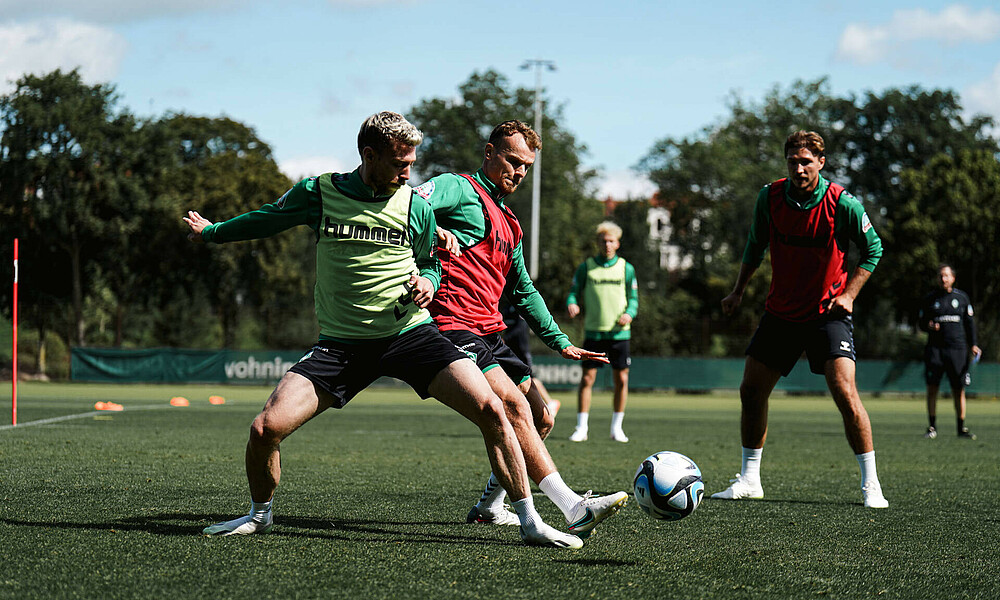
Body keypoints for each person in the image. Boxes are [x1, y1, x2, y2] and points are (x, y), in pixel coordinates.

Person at [183, 111, 583, 548]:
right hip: (342, 347)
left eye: (412, 162)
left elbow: (431, 262)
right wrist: (213, 232)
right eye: (399, 163)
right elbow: (265, 219)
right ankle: (260, 515)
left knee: (494, 410)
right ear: (369, 156)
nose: (408, 173)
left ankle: (530, 522)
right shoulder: (320, 193)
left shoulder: (413, 203)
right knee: (265, 429)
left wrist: (428, 282)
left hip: (411, 337)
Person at [416, 120, 628, 538]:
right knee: (512, 406)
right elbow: (406, 203)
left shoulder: (510, 223)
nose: (518, 172)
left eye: (526, 166)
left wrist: (562, 342)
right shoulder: (458, 189)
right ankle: (573, 507)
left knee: (541, 416)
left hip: (492, 334)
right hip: (452, 327)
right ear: (489, 153)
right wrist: (432, 233)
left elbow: (524, 291)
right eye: (512, 160)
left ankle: (489, 507)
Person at [712, 130, 889, 509]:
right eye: (793, 161)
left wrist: (850, 294)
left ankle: (871, 484)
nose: (799, 168)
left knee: (844, 391)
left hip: (828, 314)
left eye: (806, 161)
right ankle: (749, 479)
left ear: (821, 163)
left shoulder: (843, 203)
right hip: (781, 313)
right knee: (751, 390)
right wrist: (738, 290)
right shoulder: (770, 197)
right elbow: (754, 246)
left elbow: (873, 249)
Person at [565, 222, 639, 443]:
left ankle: (617, 427)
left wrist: (629, 313)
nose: (607, 244)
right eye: (603, 240)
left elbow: (634, 299)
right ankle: (581, 427)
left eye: (611, 241)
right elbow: (572, 293)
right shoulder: (586, 267)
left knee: (621, 380)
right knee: (587, 379)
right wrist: (572, 304)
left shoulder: (627, 268)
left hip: (619, 334)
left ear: (617, 243)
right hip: (594, 333)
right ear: (598, 242)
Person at [918, 264, 982, 440]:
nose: (943, 279)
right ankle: (932, 427)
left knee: (958, 389)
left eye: (946, 276)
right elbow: (921, 323)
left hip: (958, 350)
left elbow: (969, 324)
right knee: (932, 388)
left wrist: (973, 344)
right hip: (936, 350)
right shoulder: (930, 299)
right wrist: (929, 325)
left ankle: (961, 428)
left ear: (953, 278)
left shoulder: (961, 298)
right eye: (940, 276)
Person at [500, 300, 560, 418]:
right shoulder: (507, 306)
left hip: (521, 347)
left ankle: (550, 401)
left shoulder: (518, 304)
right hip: (510, 348)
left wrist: (505, 338)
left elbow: (520, 329)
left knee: (529, 376)